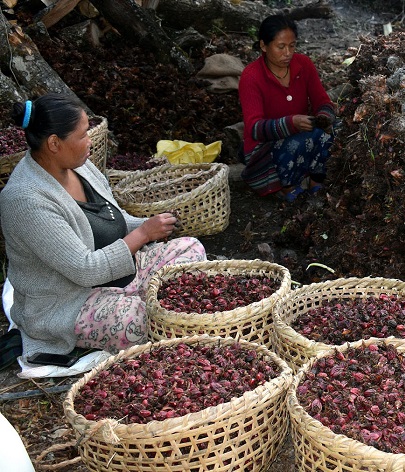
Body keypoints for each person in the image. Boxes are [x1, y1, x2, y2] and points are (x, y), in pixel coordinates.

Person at [0, 94, 207, 361]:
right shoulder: (26, 199)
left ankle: (151, 302)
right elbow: (86, 270)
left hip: (120, 274)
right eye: (83, 135)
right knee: (138, 323)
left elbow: (113, 218)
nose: (90, 141)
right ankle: (149, 306)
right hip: (68, 300)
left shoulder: (79, 166)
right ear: (54, 143)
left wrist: (150, 224)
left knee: (190, 249)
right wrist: (143, 234)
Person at [238, 14, 337, 201]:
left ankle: (317, 181)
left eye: (292, 46)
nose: (288, 53)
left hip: (301, 133)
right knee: (298, 142)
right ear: (263, 46)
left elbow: (323, 101)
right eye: (281, 47)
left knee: (336, 130)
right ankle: (287, 186)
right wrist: (291, 123)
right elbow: (254, 128)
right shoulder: (251, 76)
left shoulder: (303, 64)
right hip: (266, 147)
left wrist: (324, 117)